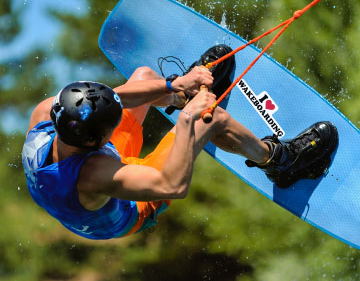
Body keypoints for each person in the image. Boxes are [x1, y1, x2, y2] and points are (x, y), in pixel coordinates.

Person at [22, 45, 338, 240]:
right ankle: (280, 162)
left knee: (145, 77)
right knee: (210, 119)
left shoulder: (48, 115)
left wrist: (176, 85)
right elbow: (171, 185)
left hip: (88, 165)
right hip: (128, 210)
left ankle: (185, 95)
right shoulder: (94, 175)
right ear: (100, 141)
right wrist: (188, 118)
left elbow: (113, 97)